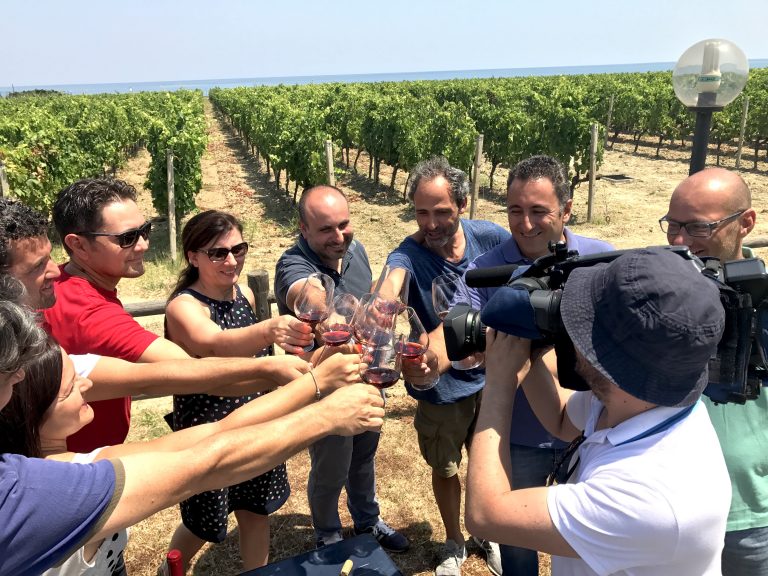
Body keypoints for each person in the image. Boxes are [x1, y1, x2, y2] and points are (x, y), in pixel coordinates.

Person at [0, 299, 384, 576]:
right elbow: (210, 462)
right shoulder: (49, 492)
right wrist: (325, 415)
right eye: (70, 388)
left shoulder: (77, 463)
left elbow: (220, 431)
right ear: (29, 413)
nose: (86, 383)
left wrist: (315, 383)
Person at [466, 247, 731, 575]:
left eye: (583, 323)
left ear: (610, 364)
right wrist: (526, 348)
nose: (571, 329)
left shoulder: (649, 497)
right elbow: (562, 421)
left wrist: (499, 385)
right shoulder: (648, 397)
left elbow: (486, 515)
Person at [0, 198, 311, 411]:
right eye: (128, 237)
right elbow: (190, 371)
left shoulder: (64, 291)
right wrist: (278, 366)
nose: (145, 244)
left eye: (144, 230)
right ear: (78, 245)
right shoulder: (90, 311)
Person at [459, 155, 613, 576]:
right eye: (514, 210)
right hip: (519, 434)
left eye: (538, 211)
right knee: (516, 540)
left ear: (566, 209)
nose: (525, 224)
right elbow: (469, 343)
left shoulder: (602, 262)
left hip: (589, 429)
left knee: (588, 541)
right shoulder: (483, 271)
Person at [163, 210, 312, 571]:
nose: (231, 260)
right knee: (202, 522)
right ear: (193, 257)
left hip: (255, 420)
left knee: (255, 509)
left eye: (238, 249)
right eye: (218, 253)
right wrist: (268, 330)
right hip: (210, 432)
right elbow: (214, 343)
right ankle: (170, 569)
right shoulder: (183, 307)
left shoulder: (243, 293)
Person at [384, 156, 510, 576]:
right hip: (443, 388)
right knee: (446, 466)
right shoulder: (409, 252)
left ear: (462, 203)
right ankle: (454, 540)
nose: (431, 223)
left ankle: (484, 531)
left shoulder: (490, 237)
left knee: (487, 461)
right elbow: (390, 284)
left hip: (492, 380)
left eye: (441, 212)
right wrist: (381, 311)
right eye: (422, 213)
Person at [274, 184, 409, 553]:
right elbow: (308, 294)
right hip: (327, 385)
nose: (339, 236)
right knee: (332, 465)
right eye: (326, 229)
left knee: (364, 456)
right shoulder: (292, 263)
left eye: (344, 225)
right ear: (303, 229)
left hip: (367, 375)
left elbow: (371, 298)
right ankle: (329, 532)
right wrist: (330, 317)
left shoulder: (357, 250)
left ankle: (367, 521)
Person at [663, 167, 766, 575]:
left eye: (697, 227)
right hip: (672, 508)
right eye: (672, 225)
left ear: (746, 224)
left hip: (751, 515)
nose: (678, 240)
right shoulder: (658, 297)